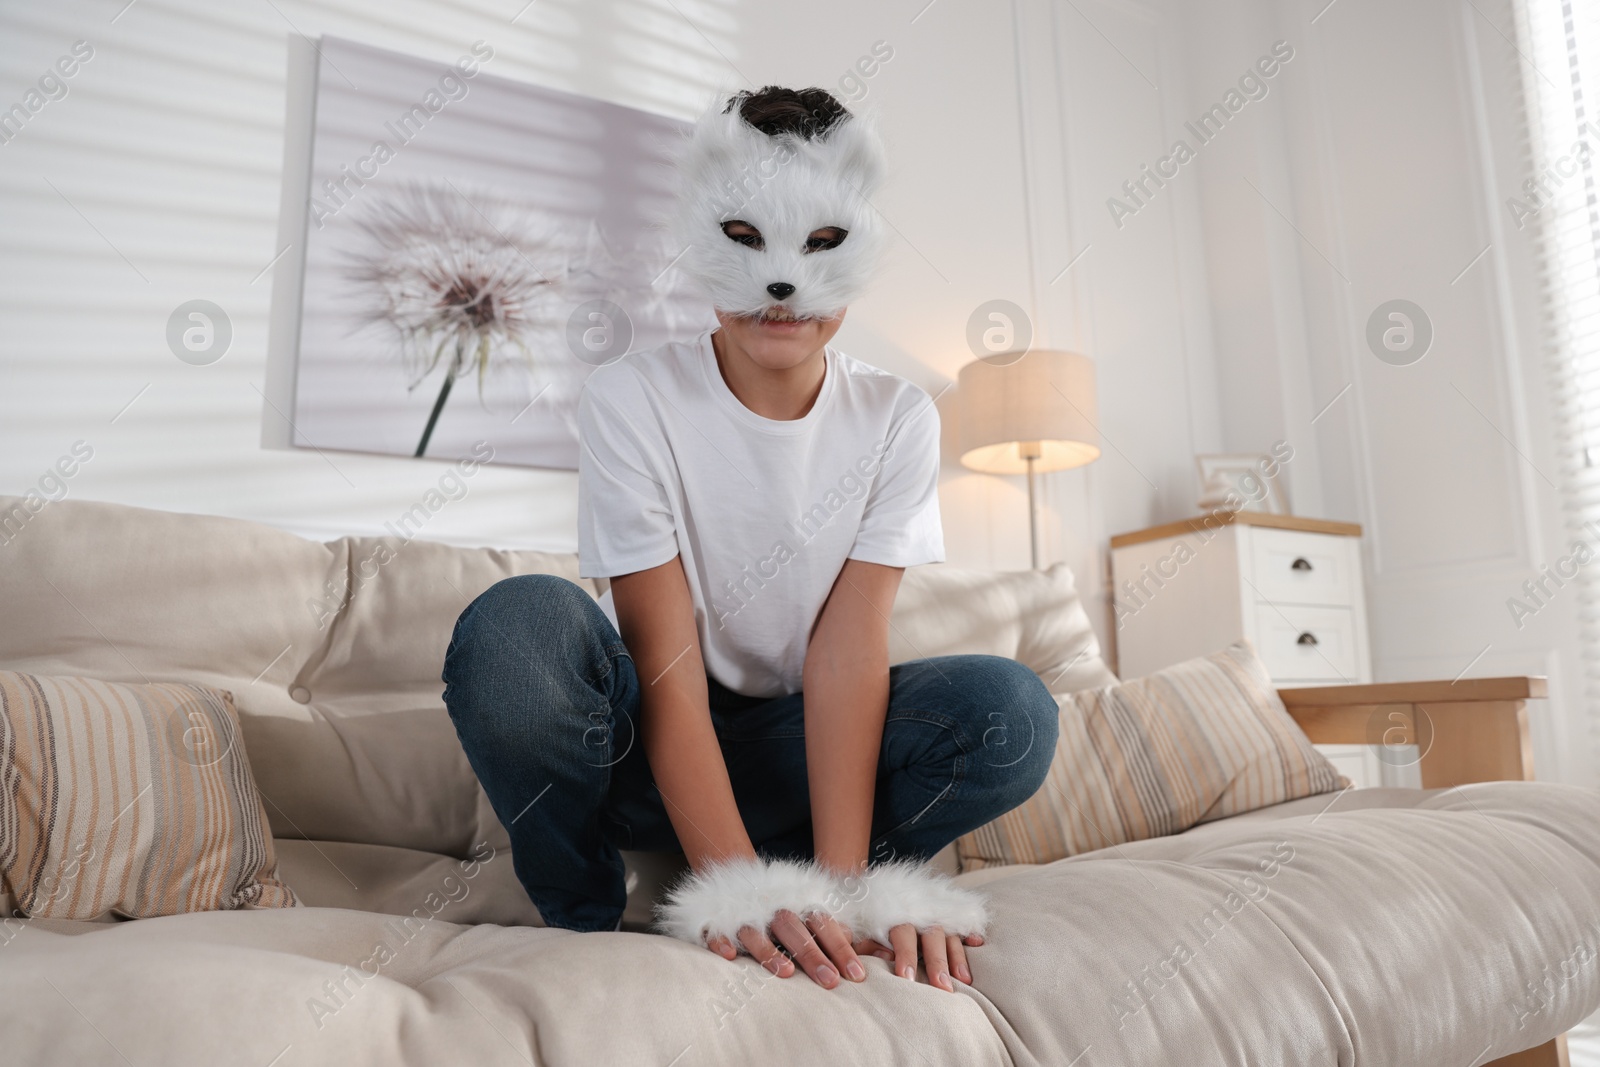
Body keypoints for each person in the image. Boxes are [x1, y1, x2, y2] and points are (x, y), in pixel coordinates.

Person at [442, 85, 1057, 994]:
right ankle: (578, 900)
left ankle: (809, 872)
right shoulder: (631, 399)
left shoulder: (898, 418)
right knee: (513, 627)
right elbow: (662, 663)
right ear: (699, 238)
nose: (783, 286)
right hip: (646, 738)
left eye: (820, 245)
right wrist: (733, 888)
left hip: (798, 743)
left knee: (1010, 709)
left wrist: (846, 897)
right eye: (743, 240)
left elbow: (851, 653)